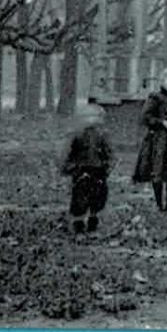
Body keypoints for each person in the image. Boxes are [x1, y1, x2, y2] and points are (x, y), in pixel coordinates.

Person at [133, 66, 167, 212]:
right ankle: (159, 203)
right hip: (158, 139)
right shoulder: (155, 97)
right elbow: (145, 117)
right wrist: (163, 123)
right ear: (163, 81)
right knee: (157, 170)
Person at [62, 101, 114, 236]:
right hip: (81, 170)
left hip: (98, 171)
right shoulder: (77, 136)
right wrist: (70, 167)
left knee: (98, 197)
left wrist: (107, 167)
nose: (91, 121)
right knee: (79, 198)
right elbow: (68, 153)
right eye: (88, 118)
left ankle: (93, 220)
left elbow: (109, 153)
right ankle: (78, 223)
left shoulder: (103, 135)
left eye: (95, 118)